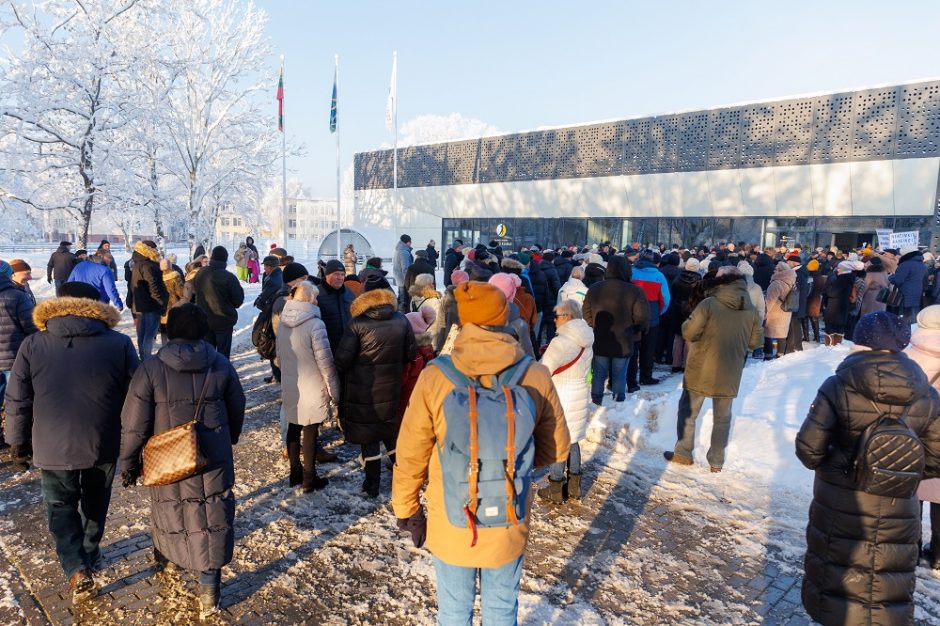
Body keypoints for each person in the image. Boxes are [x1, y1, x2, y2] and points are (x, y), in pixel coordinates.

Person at [391, 281, 570, 626]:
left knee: (454, 611)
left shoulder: (436, 377)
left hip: (452, 518)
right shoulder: (534, 375)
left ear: (463, 322)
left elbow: (411, 452)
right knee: (502, 609)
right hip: (508, 512)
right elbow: (556, 448)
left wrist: (407, 508)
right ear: (504, 317)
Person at [796, 311, 940, 626]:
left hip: (839, 504)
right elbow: (936, 457)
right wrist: (900, 473)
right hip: (897, 509)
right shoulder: (926, 393)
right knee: (885, 589)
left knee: (838, 588)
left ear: (860, 341)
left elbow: (809, 449)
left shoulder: (838, 385)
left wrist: (841, 466)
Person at [6, 282, 138, 603]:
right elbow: (137, 396)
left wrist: (16, 441)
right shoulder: (119, 343)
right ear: (96, 306)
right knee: (96, 500)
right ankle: (90, 552)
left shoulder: (33, 344)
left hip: (51, 443)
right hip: (103, 440)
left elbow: (18, 398)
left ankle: (76, 566)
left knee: (60, 506)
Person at [119, 304, 245, 619]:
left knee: (170, 510)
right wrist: (228, 437)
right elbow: (237, 405)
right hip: (212, 458)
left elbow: (134, 424)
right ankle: (209, 592)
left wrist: (129, 462)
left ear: (169, 330)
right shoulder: (220, 363)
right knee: (212, 517)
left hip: (167, 457)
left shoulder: (150, 368)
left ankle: (166, 559)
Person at [664, 267, 762, 472]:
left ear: (722, 281)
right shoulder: (750, 308)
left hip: (701, 366)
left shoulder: (708, 303)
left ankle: (683, 452)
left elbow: (689, 332)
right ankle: (716, 461)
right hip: (730, 370)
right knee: (723, 417)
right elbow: (755, 342)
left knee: (688, 411)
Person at [333, 278, 416, 497]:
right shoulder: (401, 320)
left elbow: (342, 361)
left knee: (369, 437)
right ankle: (405, 477)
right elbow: (410, 354)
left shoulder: (357, 323)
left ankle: (372, 485)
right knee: (390, 432)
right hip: (391, 386)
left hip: (363, 390)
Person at [277, 282, 340, 492]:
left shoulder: (282, 322)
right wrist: (334, 389)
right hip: (312, 384)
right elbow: (325, 361)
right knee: (311, 430)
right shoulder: (315, 324)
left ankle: (295, 471)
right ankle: (309, 478)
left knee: (293, 427)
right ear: (311, 299)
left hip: (290, 381)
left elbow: (279, 356)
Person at [538, 299, 593, 503]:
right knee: (573, 439)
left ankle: (555, 487)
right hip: (580, 393)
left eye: (558, 316)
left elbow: (544, 370)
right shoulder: (587, 338)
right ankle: (574, 487)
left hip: (561, 394)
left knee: (559, 440)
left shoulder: (560, 342)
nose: (554, 320)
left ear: (568, 317)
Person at [582, 256, 650, 402]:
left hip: (600, 337)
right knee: (620, 373)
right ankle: (618, 401)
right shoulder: (635, 290)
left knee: (599, 373)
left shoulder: (595, 288)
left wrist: (593, 326)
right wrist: (635, 329)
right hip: (624, 338)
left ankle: (596, 400)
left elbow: (586, 312)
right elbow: (642, 316)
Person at [905, 306, 940, 569]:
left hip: (914, 433)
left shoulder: (908, 355)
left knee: (912, 492)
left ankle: (912, 547)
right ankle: (939, 552)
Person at [0, 262, 39, 448]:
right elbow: (32, 328)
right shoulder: (17, 297)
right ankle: (16, 440)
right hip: (13, 358)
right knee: (16, 401)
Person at [194, 246, 245, 359]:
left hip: (204, 320)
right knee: (222, 355)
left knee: (207, 354)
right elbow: (238, 301)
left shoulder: (200, 273)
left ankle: (208, 374)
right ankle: (222, 374)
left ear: (212, 257)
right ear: (225, 260)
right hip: (223, 321)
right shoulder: (229, 277)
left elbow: (195, 291)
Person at [630, 249, 671, 387]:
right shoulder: (659, 276)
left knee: (633, 347)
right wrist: (658, 313)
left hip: (632, 316)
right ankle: (645, 376)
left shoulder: (631, 272)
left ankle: (631, 376)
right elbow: (665, 299)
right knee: (648, 348)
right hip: (652, 316)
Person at [130, 240, 168, 360]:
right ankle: (146, 360)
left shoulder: (138, 264)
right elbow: (154, 287)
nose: (156, 251)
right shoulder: (148, 266)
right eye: (155, 249)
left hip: (140, 305)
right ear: (149, 250)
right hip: (151, 306)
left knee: (142, 334)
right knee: (149, 335)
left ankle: (143, 358)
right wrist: (161, 303)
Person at [488, 272, 536, 358]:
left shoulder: (476, 315)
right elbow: (528, 356)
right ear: (512, 294)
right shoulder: (519, 324)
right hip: (509, 368)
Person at [669, 258, 702, 372]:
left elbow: (672, 292)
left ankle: (675, 363)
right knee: (689, 338)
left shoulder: (678, 278)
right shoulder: (699, 280)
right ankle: (685, 364)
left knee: (678, 338)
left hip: (678, 309)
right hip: (692, 310)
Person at [317, 259, 356, 352]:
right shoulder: (316, 294)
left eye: (342, 274)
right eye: (336, 274)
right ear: (327, 275)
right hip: (326, 348)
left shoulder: (349, 293)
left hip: (348, 347)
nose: (340, 278)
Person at [762, 261, 796, 359]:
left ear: (780, 271)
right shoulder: (791, 281)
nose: (774, 271)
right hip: (786, 311)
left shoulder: (776, 283)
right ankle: (780, 355)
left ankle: (768, 355)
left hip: (774, 313)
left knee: (768, 333)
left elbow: (770, 301)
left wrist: (764, 313)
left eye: (776, 269)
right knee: (782, 334)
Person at [890, 244, 926, 324]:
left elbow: (898, 280)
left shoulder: (905, 264)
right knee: (913, 316)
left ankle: (903, 334)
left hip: (904, 294)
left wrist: (890, 276)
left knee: (903, 318)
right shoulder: (921, 264)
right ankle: (913, 333)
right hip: (917, 293)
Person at [409, 273, 445, 351]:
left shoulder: (413, 300)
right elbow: (438, 323)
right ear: (429, 286)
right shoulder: (435, 301)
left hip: (417, 338)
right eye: (432, 283)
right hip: (431, 340)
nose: (433, 285)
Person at [823, 262, 856, 346]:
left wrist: (827, 289)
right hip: (843, 308)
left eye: (839, 268)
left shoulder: (842, 279)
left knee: (831, 329)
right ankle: (837, 346)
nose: (838, 269)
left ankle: (829, 347)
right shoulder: (850, 278)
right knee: (839, 329)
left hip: (835, 309)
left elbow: (832, 293)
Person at [158, 259, 185, 346]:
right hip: (174, 306)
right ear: (170, 266)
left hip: (162, 306)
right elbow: (181, 293)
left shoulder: (157, 276)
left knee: (164, 331)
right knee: (174, 330)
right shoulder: (175, 276)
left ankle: (165, 348)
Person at [804, 259, 826, 343]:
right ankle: (817, 337)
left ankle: (806, 337)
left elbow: (808, 290)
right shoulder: (820, 277)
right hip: (816, 301)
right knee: (814, 319)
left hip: (809, 300)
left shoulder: (810, 277)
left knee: (806, 318)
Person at [393, 234, 414, 312]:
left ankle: (401, 316)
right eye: (410, 242)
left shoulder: (398, 250)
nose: (411, 243)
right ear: (408, 242)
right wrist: (408, 281)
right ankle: (402, 317)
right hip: (403, 280)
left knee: (402, 299)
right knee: (404, 301)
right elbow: (405, 268)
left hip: (400, 279)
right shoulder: (404, 252)